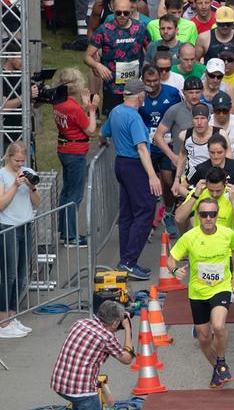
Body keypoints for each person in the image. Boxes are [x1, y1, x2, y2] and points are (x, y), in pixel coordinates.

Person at [168, 192, 234, 388]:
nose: (208, 218)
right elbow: (171, 258)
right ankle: (218, 368)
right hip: (197, 292)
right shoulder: (190, 237)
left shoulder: (227, 234)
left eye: (212, 214)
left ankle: (221, 360)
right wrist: (175, 270)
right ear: (198, 216)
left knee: (218, 326)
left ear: (217, 215)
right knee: (203, 337)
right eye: (204, 214)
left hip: (221, 287)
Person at [103, 78, 163, 280]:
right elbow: (142, 148)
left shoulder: (116, 111)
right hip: (134, 165)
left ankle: (126, 259)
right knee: (146, 209)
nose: (145, 96)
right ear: (139, 95)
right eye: (144, 93)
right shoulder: (134, 117)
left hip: (121, 162)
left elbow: (104, 135)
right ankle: (128, 260)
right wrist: (153, 176)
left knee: (127, 212)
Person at [50, 299, 137, 410]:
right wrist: (127, 327)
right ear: (115, 323)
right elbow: (127, 359)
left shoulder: (81, 323)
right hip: (82, 391)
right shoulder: (106, 337)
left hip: (60, 383)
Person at [49, 67, 98, 247]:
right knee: (74, 195)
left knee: (66, 192)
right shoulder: (72, 107)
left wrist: (84, 107)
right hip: (75, 151)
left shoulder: (58, 102)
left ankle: (64, 231)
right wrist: (92, 110)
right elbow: (90, 130)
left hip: (64, 147)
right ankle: (70, 236)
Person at [1, 141, 42, 336]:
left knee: (21, 273)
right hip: (8, 227)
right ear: (8, 157)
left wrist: (31, 186)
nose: (20, 164)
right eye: (16, 160)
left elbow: (37, 203)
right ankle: (2, 320)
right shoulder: (2, 175)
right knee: (8, 275)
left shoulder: (27, 171)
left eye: (22, 161)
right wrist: (15, 186)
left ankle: (12, 315)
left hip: (26, 224)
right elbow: (1, 204)